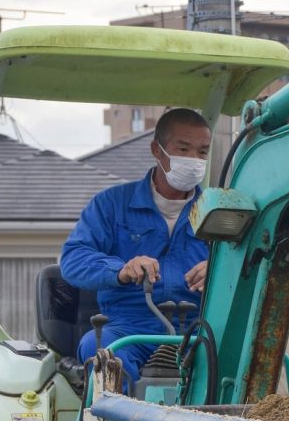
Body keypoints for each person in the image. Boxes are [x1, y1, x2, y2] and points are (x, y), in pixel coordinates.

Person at [60, 108, 211, 386]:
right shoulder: (111, 205)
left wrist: (221, 271)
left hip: (199, 330)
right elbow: (73, 260)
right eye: (183, 149)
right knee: (104, 353)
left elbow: (252, 266)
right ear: (157, 149)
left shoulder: (220, 212)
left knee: (249, 358)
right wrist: (121, 270)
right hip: (129, 327)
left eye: (202, 152)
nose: (193, 160)